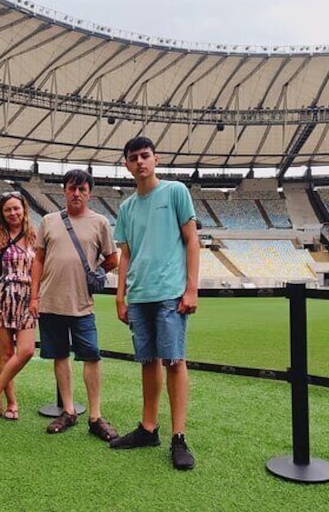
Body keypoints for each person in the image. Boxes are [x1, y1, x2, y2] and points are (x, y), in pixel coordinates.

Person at [110, 136, 200, 471]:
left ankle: (178, 436)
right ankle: (148, 428)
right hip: (139, 294)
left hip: (169, 292)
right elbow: (125, 254)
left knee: (174, 361)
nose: (140, 162)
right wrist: (120, 295)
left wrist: (191, 289)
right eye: (133, 158)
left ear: (156, 159)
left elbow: (192, 241)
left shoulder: (175, 191)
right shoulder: (126, 208)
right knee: (148, 361)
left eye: (145, 156)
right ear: (127, 164)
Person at [29, 169, 119, 441]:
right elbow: (38, 260)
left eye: (82, 189)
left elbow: (112, 259)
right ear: (64, 190)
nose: (76, 193)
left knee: (91, 356)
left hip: (82, 303)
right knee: (59, 356)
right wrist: (34, 296)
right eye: (71, 188)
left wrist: (96, 272)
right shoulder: (48, 221)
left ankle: (95, 416)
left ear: (89, 192)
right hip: (51, 301)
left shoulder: (100, 222)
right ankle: (68, 410)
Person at [0, 191, 38, 420]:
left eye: (16, 208)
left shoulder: (36, 238)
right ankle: (11, 403)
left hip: (28, 298)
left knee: (26, 350)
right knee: (5, 352)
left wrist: (36, 297)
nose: (13, 213)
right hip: (1, 297)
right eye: (8, 210)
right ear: (1, 215)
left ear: (24, 210)